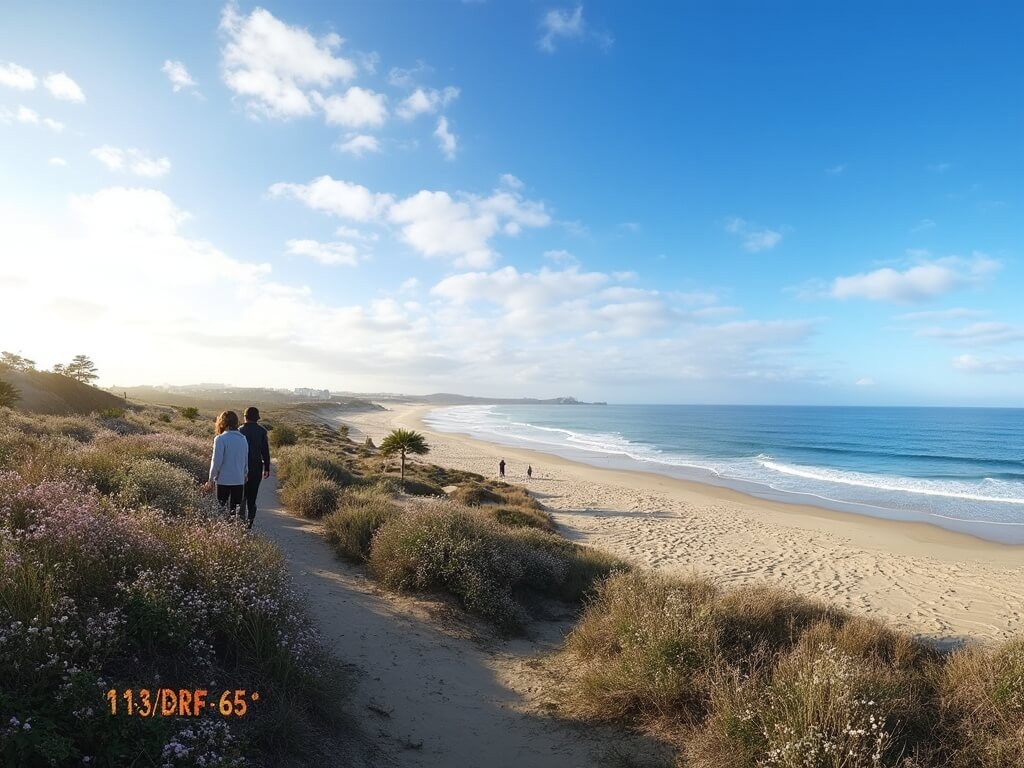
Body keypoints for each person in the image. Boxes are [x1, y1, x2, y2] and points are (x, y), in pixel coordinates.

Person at [204, 410, 249, 520]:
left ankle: (221, 532)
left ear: (222, 422)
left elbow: (216, 461)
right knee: (234, 512)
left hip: (224, 480)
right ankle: (233, 532)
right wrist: (244, 474)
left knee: (221, 509)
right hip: (238, 480)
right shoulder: (243, 439)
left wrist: (210, 479)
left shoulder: (220, 439)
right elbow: (245, 460)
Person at [239, 406, 271, 529]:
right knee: (252, 498)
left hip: (241, 468)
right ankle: (249, 523)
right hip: (256, 468)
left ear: (245, 417)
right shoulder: (262, 431)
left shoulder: (239, 430)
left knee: (241, 497)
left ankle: (240, 523)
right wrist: (267, 468)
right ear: (257, 418)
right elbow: (265, 451)